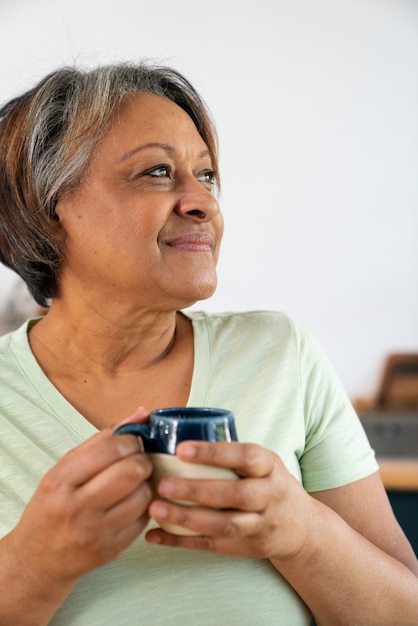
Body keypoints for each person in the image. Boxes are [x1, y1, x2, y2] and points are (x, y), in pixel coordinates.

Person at [0, 62, 416, 626]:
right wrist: (32, 564)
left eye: (207, 176)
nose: (203, 203)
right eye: (156, 171)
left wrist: (304, 534)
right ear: (48, 208)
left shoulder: (282, 353)